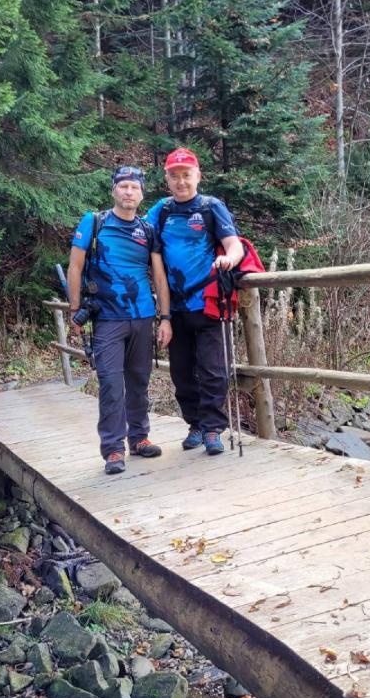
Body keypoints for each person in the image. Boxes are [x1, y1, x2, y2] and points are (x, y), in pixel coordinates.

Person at [68, 165, 172, 475]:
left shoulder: (147, 230)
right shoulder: (94, 222)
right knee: (111, 384)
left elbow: (159, 277)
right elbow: (75, 266)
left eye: (134, 187)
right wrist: (74, 308)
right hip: (107, 318)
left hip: (142, 315)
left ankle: (139, 438)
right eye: (123, 186)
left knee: (138, 381)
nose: (129, 192)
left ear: (141, 194)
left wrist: (165, 317)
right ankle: (113, 449)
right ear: (114, 190)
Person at [146, 148, 244, 456]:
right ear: (167, 179)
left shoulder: (211, 207)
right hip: (174, 307)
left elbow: (234, 245)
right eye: (174, 176)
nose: (181, 182)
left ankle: (213, 428)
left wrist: (229, 259)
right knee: (182, 372)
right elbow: (139, 237)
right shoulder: (161, 211)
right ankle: (196, 425)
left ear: (198, 176)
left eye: (186, 175)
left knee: (213, 369)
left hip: (208, 302)